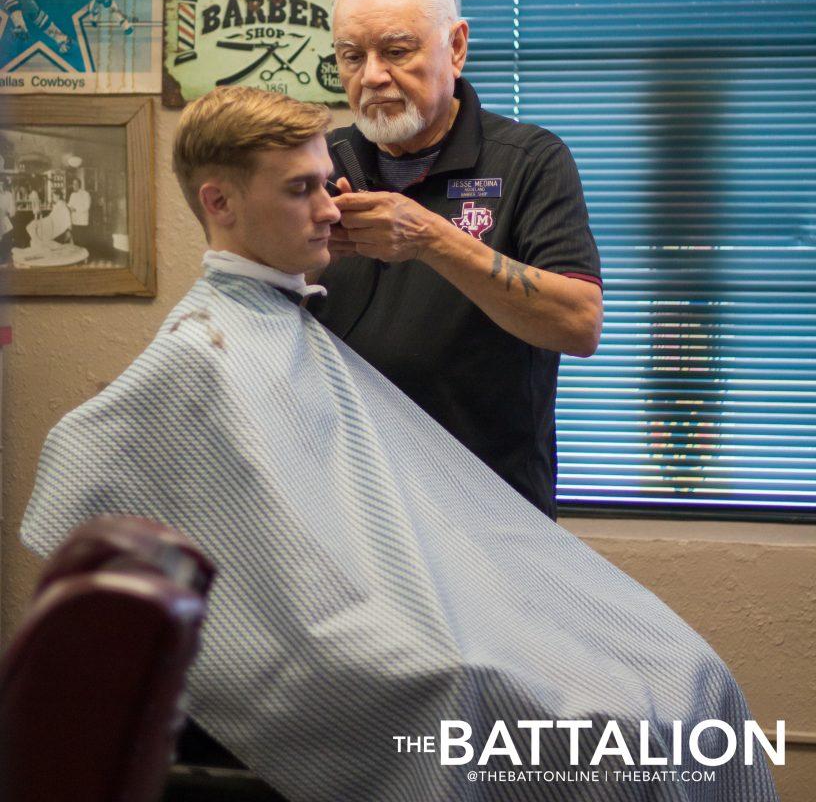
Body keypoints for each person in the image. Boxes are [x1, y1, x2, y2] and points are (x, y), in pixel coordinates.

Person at [20, 87, 777, 802]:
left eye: (329, 184)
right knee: (588, 721)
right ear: (218, 202)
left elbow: (577, 323)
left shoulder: (286, 315)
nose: (330, 208)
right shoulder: (204, 347)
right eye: (301, 191)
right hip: (397, 642)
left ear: (456, 48)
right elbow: (82, 461)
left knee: (682, 673)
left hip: (458, 585)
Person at [310, 0, 602, 519]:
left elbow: (579, 324)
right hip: (346, 496)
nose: (371, 76)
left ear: (457, 47)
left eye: (396, 52)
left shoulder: (530, 161)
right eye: (352, 56)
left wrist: (430, 238)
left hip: (486, 499)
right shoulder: (318, 161)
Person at [67, 176, 92, 250]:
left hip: (82, 222)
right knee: (75, 241)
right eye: (73, 184)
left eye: (76, 184)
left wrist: (76, 209)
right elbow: (69, 205)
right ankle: (77, 258)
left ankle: (84, 258)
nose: (74, 186)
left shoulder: (85, 194)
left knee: (82, 242)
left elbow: (87, 207)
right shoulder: (72, 195)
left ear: (79, 185)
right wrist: (67, 207)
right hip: (74, 221)